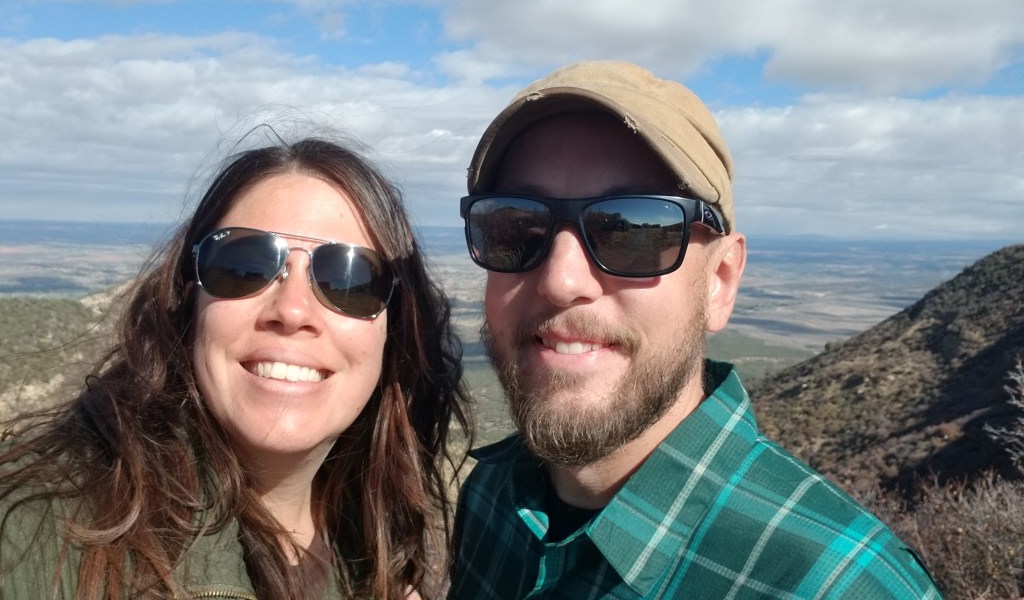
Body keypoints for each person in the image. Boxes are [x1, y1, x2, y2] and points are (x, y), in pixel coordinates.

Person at [448, 61, 941, 598]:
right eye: (516, 227)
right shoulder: (492, 494)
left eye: (634, 230)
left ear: (720, 282)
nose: (561, 281)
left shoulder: (837, 584)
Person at [0, 136, 471, 599]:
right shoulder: (35, 534)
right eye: (243, 265)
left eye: (349, 279)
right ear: (189, 302)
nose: (291, 310)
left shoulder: (382, 545)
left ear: (396, 333)